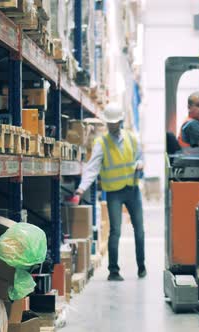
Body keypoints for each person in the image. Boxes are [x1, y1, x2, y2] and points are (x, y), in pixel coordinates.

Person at [75, 104, 146, 281]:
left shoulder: (131, 138)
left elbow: (140, 157)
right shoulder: (101, 143)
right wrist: (81, 188)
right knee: (115, 231)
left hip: (132, 189)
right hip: (114, 193)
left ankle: (142, 267)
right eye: (110, 123)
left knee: (140, 230)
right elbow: (92, 168)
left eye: (115, 123)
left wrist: (140, 163)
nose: (112, 126)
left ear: (120, 121)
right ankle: (113, 271)